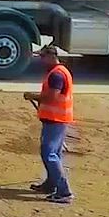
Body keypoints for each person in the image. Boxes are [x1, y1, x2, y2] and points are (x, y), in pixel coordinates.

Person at [24, 43, 74, 204]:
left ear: (52, 56)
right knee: (54, 154)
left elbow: (52, 96)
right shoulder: (58, 72)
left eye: (43, 57)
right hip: (57, 119)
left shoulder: (56, 75)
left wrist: (33, 96)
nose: (41, 60)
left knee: (49, 154)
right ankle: (51, 184)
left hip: (55, 119)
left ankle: (64, 192)